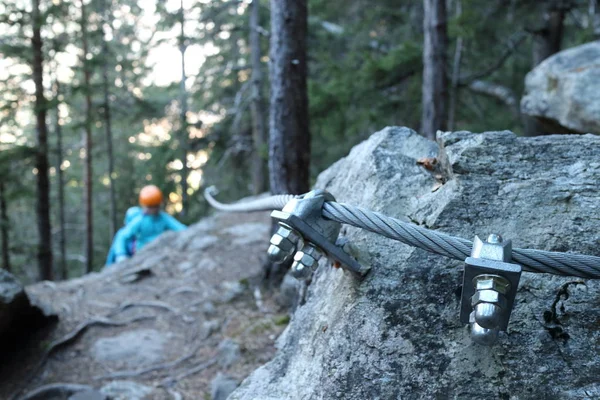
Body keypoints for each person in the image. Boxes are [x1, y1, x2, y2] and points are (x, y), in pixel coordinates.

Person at [114, 185, 187, 262]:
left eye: (155, 206)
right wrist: (120, 254)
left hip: (158, 251)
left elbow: (179, 228)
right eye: (150, 206)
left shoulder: (163, 218)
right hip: (142, 253)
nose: (153, 209)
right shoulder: (140, 220)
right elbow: (122, 236)